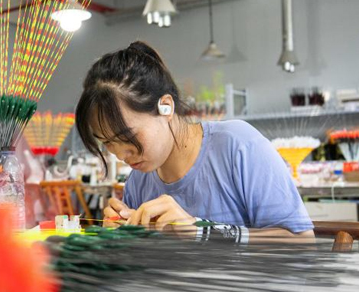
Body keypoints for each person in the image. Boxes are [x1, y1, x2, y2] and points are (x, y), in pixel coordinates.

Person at [75, 41, 314, 243]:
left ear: (165, 107)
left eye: (126, 137)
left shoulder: (237, 145)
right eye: (107, 142)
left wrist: (200, 231)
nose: (120, 154)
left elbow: (302, 241)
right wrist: (122, 237)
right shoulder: (138, 182)